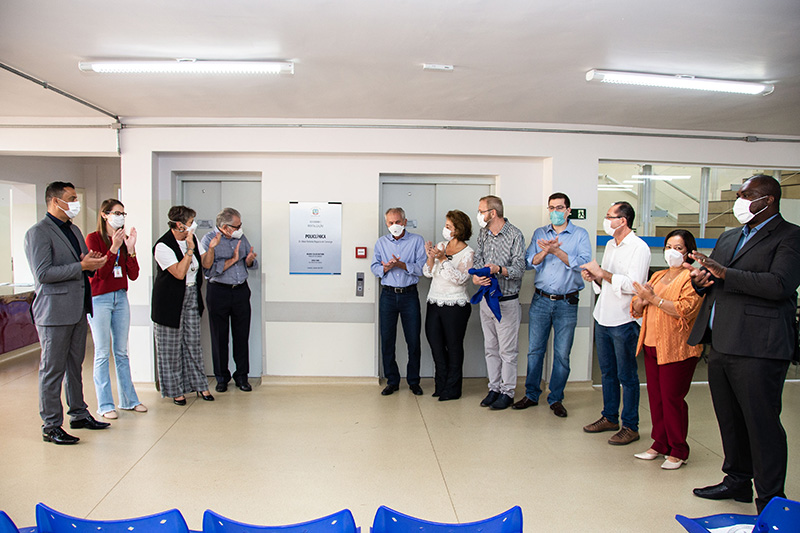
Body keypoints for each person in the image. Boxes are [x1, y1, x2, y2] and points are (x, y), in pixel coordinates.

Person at [686, 175, 800, 512]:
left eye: (746, 195)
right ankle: (737, 481)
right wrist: (702, 280)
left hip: (759, 346)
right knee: (730, 419)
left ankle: (770, 498)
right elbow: (716, 281)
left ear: (768, 200)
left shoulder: (790, 236)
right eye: (738, 194)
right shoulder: (729, 235)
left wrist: (722, 273)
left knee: (761, 423)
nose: (739, 201)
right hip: (721, 340)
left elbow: (779, 285)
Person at [25, 181, 110, 445]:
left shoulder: (73, 229)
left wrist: (92, 263)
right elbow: (43, 274)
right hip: (54, 312)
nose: (76, 203)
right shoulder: (38, 233)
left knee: (75, 366)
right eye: (71, 198)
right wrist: (80, 265)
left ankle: (79, 414)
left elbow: (82, 265)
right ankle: (51, 425)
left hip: (77, 309)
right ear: (54, 201)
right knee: (52, 370)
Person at [630, 229, 703, 470]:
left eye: (678, 248)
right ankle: (660, 443)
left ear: (688, 252)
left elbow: (684, 310)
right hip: (652, 345)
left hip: (677, 348)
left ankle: (678, 449)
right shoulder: (658, 275)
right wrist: (642, 298)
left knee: (672, 399)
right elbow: (637, 306)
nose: (672, 252)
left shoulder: (692, 278)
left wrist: (652, 299)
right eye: (669, 246)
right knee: (656, 398)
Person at [513, 193, 591, 418]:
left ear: (568, 210)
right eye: (551, 208)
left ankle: (556, 398)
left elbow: (583, 263)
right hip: (541, 301)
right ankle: (531, 394)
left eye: (559, 208)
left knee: (562, 354)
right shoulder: (540, 233)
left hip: (567, 302)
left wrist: (557, 250)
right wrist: (545, 251)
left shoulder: (580, 235)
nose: (555, 212)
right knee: (535, 351)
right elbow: (529, 262)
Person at [581, 201, 650, 445]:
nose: (607, 221)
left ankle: (631, 425)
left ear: (623, 221)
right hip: (603, 316)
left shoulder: (639, 248)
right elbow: (604, 283)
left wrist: (604, 274)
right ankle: (609, 417)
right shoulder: (610, 244)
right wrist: (594, 278)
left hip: (624, 319)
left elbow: (635, 286)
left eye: (610, 217)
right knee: (608, 372)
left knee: (627, 375)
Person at [86, 199, 147, 419]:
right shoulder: (93, 239)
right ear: (104, 215)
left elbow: (133, 274)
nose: (121, 216)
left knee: (121, 352)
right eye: (116, 213)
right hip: (99, 299)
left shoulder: (123, 239)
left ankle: (129, 400)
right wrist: (112, 248)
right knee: (102, 353)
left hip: (120, 297)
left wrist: (130, 250)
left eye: (123, 213)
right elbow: (99, 273)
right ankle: (105, 405)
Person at [151, 205, 214, 405]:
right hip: (169, 302)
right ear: (179, 225)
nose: (193, 225)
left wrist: (211, 247)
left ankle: (200, 385)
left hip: (191, 295)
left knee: (193, 343)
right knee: (170, 347)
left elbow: (206, 264)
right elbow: (178, 273)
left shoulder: (193, 239)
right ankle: (175, 390)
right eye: (190, 222)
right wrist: (188, 251)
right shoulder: (163, 245)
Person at [472, 195, 526, 410]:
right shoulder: (483, 234)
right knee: (490, 348)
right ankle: (494, 388)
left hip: (507, 302)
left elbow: (520, 269)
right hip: (486, 299)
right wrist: (476, 277)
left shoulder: (515, 235)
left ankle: (507, 391)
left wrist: (499, 270)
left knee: (508, 351)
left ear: (492, 213)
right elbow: (477, 261)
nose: (479, 215)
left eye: (481, 211)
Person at [200, 207, 258, 393]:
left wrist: (249, 260)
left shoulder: (240, 237)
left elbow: (250, 263)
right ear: (224, 227)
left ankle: (242, 376)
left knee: (241, 336)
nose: (240, 228)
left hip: (240, 291)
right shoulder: (209, 240)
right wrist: (233, 260)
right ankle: (221, 377)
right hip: (219, 292)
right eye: (237, 225)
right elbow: (208, 270)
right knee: (219, 337)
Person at [371, 207, 427, 396]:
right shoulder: (381, 243)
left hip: (409, 295)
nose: (394, 225)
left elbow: (422, 269)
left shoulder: (416, 241)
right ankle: (392, 381)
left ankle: (413, 381)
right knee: (387, 340)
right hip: (387, 295)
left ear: (404, 221)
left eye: (397, 222)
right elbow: (374, 266)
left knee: (413, 340)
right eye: (390, 222)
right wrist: (385, 268)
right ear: (386, 223)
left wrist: (402, 265)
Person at [423, 210, 474, 401]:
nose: (445, 229)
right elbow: (428, 273)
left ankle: (452, 389)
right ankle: (441, 384)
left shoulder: (468, 253)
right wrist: (431, 256)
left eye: (448, 226)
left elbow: (460, 279)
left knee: (453, 347)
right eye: (445, 225)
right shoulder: (441, 245)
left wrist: (443, 259)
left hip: (456, 305)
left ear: (459, 229)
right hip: (434, 301)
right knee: (436, 345)